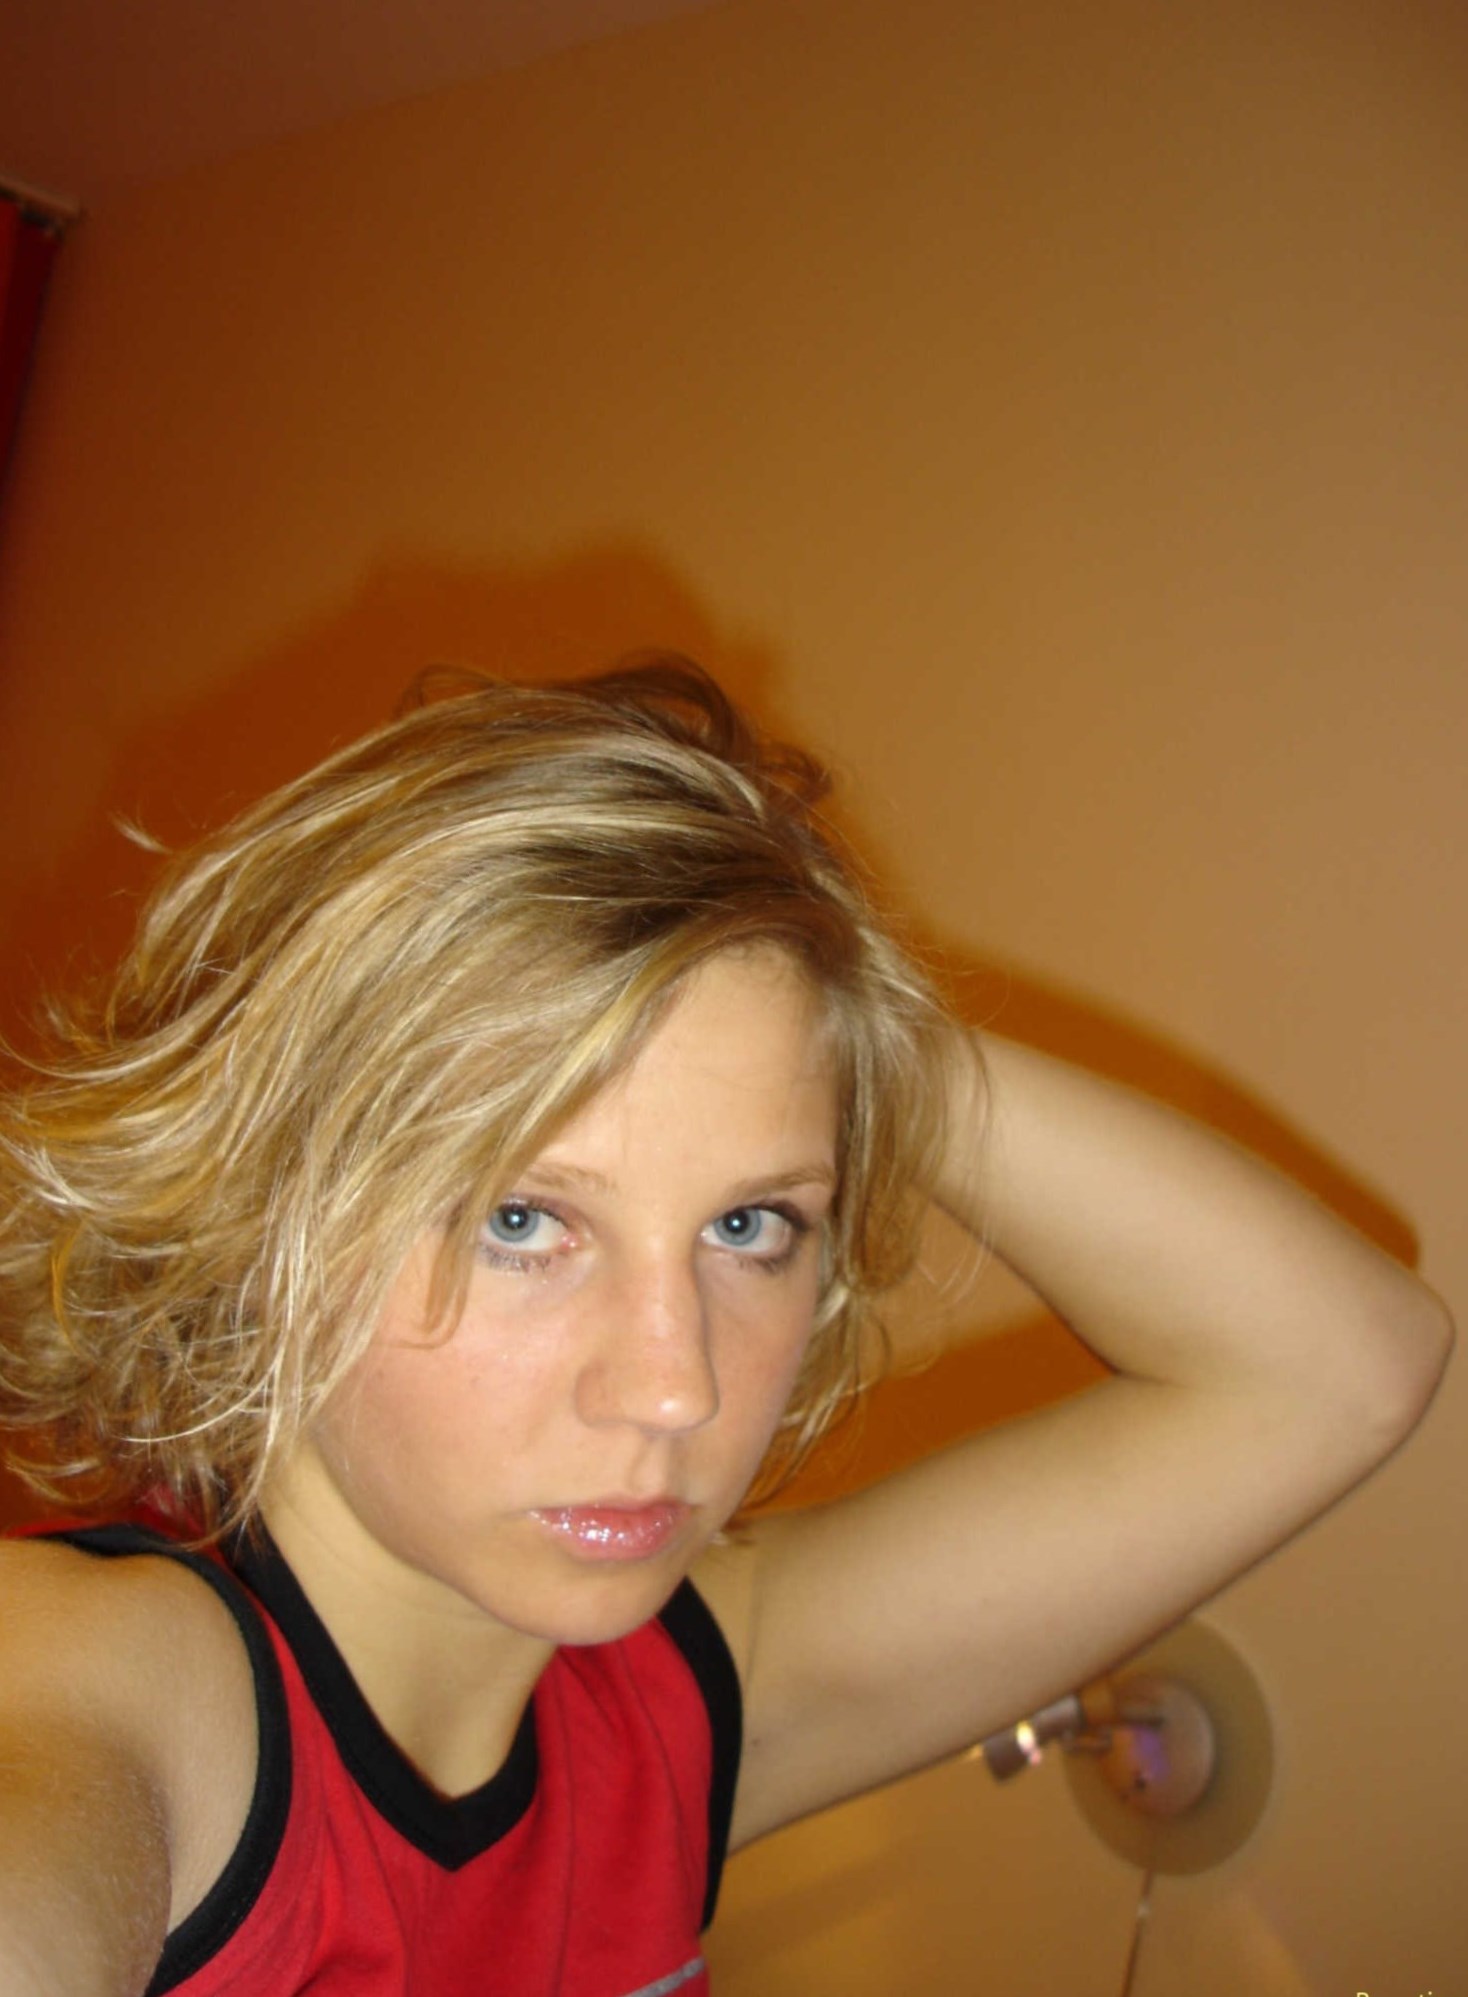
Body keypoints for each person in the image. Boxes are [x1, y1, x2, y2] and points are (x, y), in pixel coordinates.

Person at [0, 658, 1451, 1996]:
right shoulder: (105, 1693)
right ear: (259, 1226)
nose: (675, 1385)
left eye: (750, 1225)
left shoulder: (668, 1716)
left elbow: (1344, 1366)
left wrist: (845, 1026)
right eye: (523, 1220)